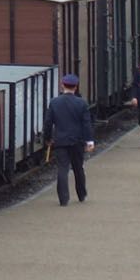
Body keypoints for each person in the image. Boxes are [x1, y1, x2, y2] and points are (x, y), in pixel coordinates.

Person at [47, 73, 96, 206]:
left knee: (62, 169)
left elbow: (48, 122)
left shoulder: (54, 102)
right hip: (77, 141)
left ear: (63, 85)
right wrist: (89, 141)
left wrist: (48, 139)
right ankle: (81, 194)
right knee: (78, 168)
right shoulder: (81, 103)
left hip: (60, 141)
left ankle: (63, 199)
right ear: (75, 87)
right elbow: (86, 124)